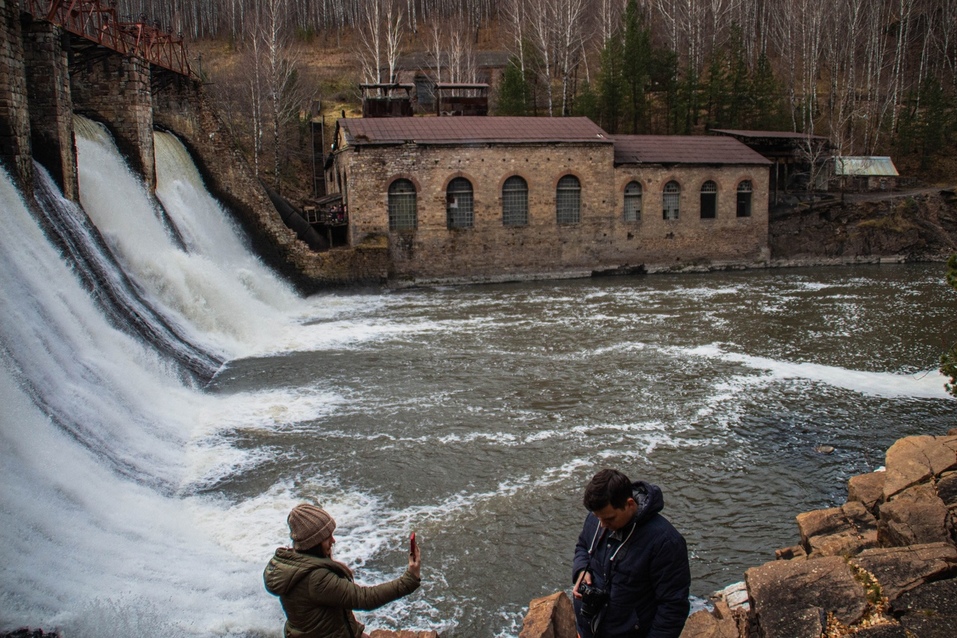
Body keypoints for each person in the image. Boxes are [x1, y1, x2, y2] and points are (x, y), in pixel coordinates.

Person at [264, 503, 422, 638]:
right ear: (314, 542)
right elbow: (364, 598)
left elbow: (326, 618)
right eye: (327, 537)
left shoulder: (292, 565)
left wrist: (357, 633)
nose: (333, 540)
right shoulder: (316, 579)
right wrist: (410, 579)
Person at [572, 469, 691, 638]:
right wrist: (581, 570)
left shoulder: (666, 542)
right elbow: (582, 546)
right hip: (588, 629)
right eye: (598, 517)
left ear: (630, 504)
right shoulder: (598, 517)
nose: (603, 524)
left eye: (609, 519)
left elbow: (673, 606)